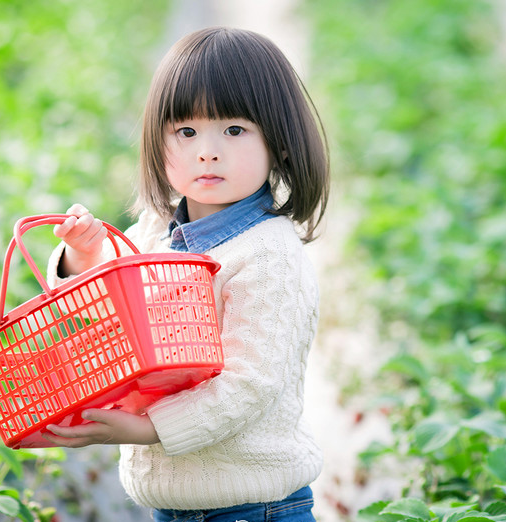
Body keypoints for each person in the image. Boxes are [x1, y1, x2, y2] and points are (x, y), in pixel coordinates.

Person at [43, 27, 330, 521]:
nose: (207, 151)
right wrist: (84, 255)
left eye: (234, 130)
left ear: (279, 143)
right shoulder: (156, 232)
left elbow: (249, 385)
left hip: (252, 507)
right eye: (186, 132)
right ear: (159, 143)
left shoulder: (268, 254)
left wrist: (142, 429)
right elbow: (101, 301)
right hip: (173, 506)